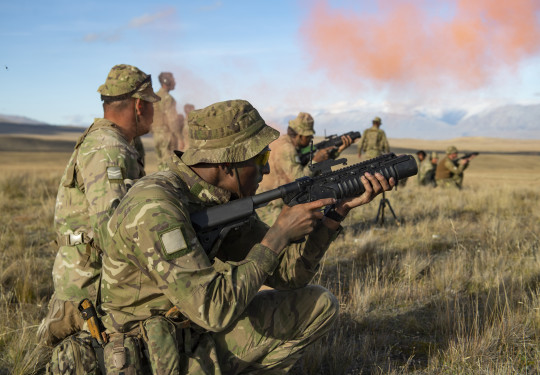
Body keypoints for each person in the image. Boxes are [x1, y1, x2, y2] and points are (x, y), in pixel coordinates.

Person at [99, 100, 394, 374]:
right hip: (151, 355)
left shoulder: (221, 198)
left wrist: (332, 218)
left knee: (318, 304)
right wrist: (277, 236)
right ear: (227, 164)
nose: (266, 168)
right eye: (261, 157)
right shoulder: (155, 207)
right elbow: (213, 311)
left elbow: (289, 275)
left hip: (191, 333)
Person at [36, 64, 160, 346]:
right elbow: (112, 230)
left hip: (91, 279)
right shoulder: (108, 148)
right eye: (153, 104)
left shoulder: (116, 142)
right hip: (91, 288)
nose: (155, 112)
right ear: (140, 105)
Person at [256, 112, 353, 226]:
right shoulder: (287, 149)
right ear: (298, 135)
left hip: (276, 202)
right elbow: (299, 178)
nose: (311, 138)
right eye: (308, 136)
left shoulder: (286, 143)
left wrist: (337, 151)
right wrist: (316, 160)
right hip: (271, 207)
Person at [152, 72, 183, 170]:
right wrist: (180, 138)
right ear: (166, 81)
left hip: (156, 135)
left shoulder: (154, 97)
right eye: (172, 79)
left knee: (160, 164)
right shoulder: (168, 98)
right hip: (167, 135)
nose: (175, 82)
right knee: (168, 166)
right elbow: (172, 119)